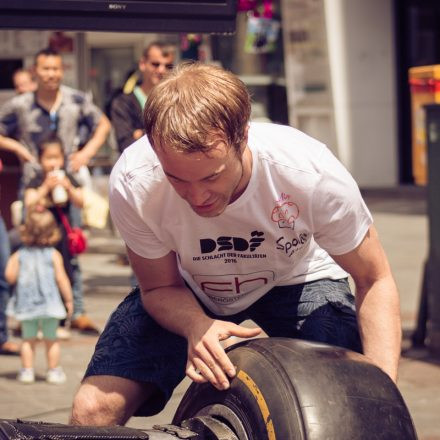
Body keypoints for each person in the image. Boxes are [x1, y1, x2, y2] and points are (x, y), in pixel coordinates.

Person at [70, 62, 401, 426]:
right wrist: (195, 324)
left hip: (296, 279)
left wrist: (382, 400)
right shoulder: (135, 181)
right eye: (176, 178)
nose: (196, 197)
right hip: (189, 287)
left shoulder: (310, 173)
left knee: (349, 407)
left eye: (211, 176)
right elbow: (159, 286)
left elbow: (375, 279)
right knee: (91, 411)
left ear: (242, 136)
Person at [0, 47, 111, 333]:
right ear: (35, 71)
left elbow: (103, 124)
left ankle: (77, 311)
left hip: (66, 183)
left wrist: (85, 154)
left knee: (70, 248)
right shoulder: (21, 104)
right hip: (34, 184)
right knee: (29, 247)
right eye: (45, 69)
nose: (51, 74)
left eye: (56, 69)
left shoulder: (76, 99)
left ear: (62, 70)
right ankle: (27, 310)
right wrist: (17, 148)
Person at [24, 133, 90, 338]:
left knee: (66, 273)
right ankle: (37, 316)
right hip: (41, 237)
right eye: (48, 158)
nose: (53, 163)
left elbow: (81, 201)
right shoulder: (37, 179)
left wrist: (68, 187)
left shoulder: (67, 177)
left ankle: (62, 318)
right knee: (41, 275)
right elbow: (29, 202)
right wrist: (45, 188)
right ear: (40, 159)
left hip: (62, 236)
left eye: (57, 157)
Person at [5, 204, 73, 384]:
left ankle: (27, 371)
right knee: (52, 340)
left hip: (27, 305)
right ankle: (53, 371)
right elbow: (62, 280)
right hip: (50, 305)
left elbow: (9, 276)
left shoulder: (20, 254)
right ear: (52, 232)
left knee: (28, 340)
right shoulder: (53, 255)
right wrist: (69, 301)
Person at [110, 41, 176, 153]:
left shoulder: (178, 100)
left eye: (168, 66)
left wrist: (140, 134)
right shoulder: (122, 102)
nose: (161, 70)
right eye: (155, 64)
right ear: (142, 64)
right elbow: (126, 145)